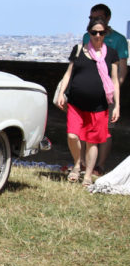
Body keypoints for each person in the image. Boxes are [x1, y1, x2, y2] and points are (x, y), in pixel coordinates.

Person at [55, 17, 121, 186]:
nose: (97, 36)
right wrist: (62, 92)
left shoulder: (111, 53)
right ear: (88, 33)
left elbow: (114, 80)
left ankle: (88, 175)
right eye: (94, 32)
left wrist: (117, 105)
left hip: (99, 105)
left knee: (93, 141)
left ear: (105, 33)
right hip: (76, 104)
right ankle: (78, 164)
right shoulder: (78, 50)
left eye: (101, 32)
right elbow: (68, 73)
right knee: (72, 135)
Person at [79, 3, 128, 173]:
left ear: (107, 19)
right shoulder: (87, 36)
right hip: (88, 90)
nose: (93, 21)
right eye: (91, 18)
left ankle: (99, 166)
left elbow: (122, 68)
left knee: (105, 130)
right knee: (85, 128)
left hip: (107, 91)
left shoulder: (119, 40)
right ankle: (84, 164)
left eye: (96, 18)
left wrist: (114, 89)